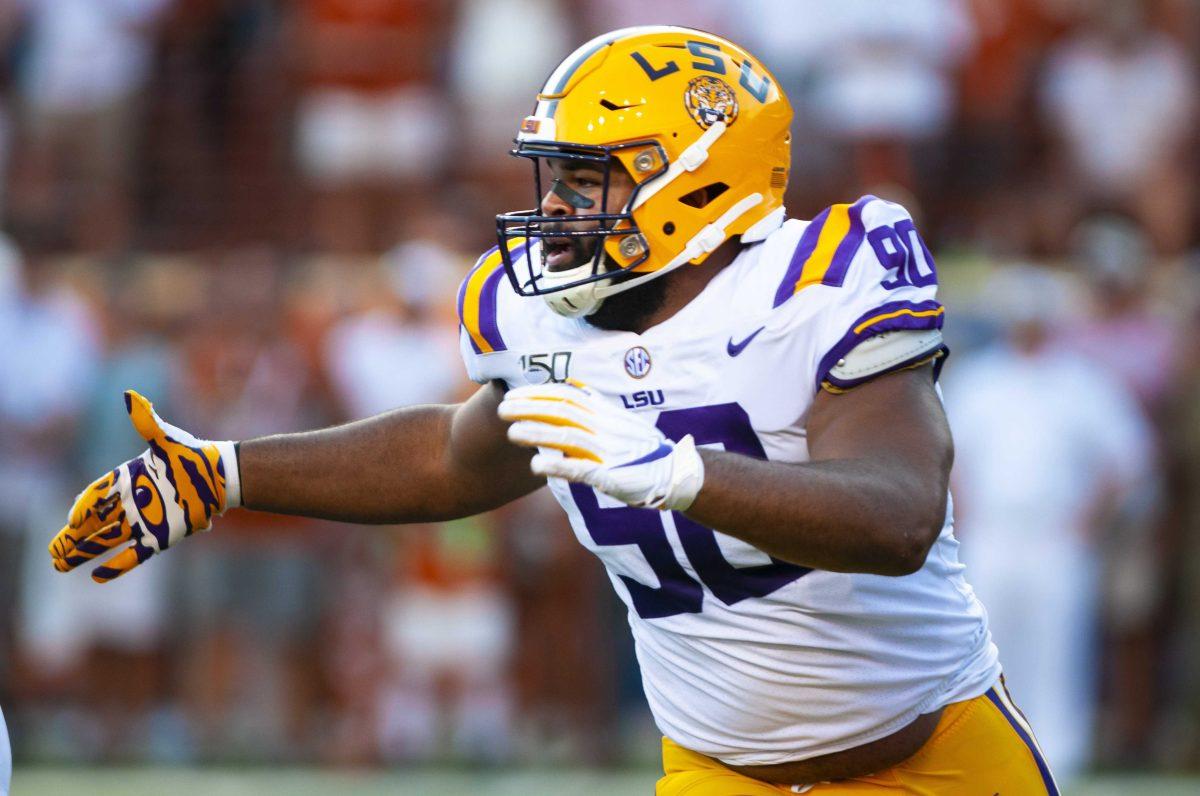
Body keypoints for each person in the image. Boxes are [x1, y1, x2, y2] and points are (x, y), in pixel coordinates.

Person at [48, 27, 1057, 794]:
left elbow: (898, 513)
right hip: (719, 771)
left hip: (936, 757)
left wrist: (682, 475)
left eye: (592, 180)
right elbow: (454, 456)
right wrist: (221, 474)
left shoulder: (821, 280)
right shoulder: (538, 317)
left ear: (698, 178)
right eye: (559, 179)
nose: (560, 210)